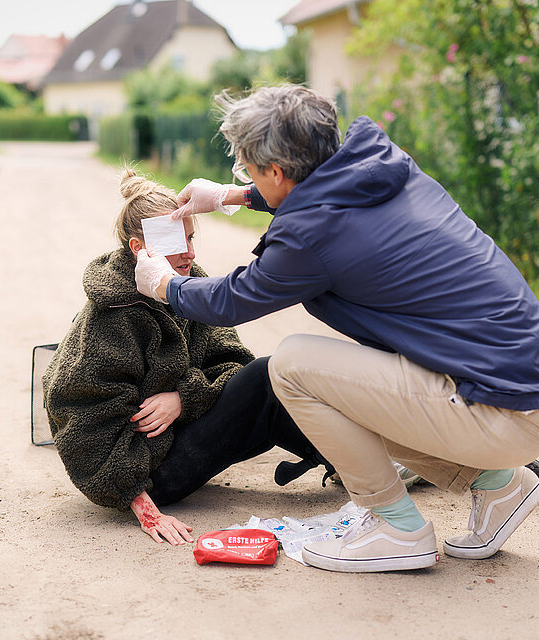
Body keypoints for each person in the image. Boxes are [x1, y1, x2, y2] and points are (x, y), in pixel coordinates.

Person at [134, 85, 539, 572]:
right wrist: (234, 196)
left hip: (501, 413)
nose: (246, 175)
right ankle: (499, 487)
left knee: (294, 366)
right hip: (525, 393)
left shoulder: (308, 235)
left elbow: (231, 299)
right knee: (352, 388)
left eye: (247, 168)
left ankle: (395, 527)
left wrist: (165, 285)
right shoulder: (380, 164)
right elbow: (322, 193)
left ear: (276, 171)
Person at [42, 168, 330, 546]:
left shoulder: (188, 277)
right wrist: (146, 508)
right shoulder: (112, 314)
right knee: (264, 375)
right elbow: (79, 424)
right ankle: (361, 469)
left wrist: (184, 398)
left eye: (191, 238)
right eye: (177, 243)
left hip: (187, 429)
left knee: (267, 379)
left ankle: (353, 465)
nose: (190, 254)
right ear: (137, 249)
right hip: (148, 471)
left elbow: (233, 363)